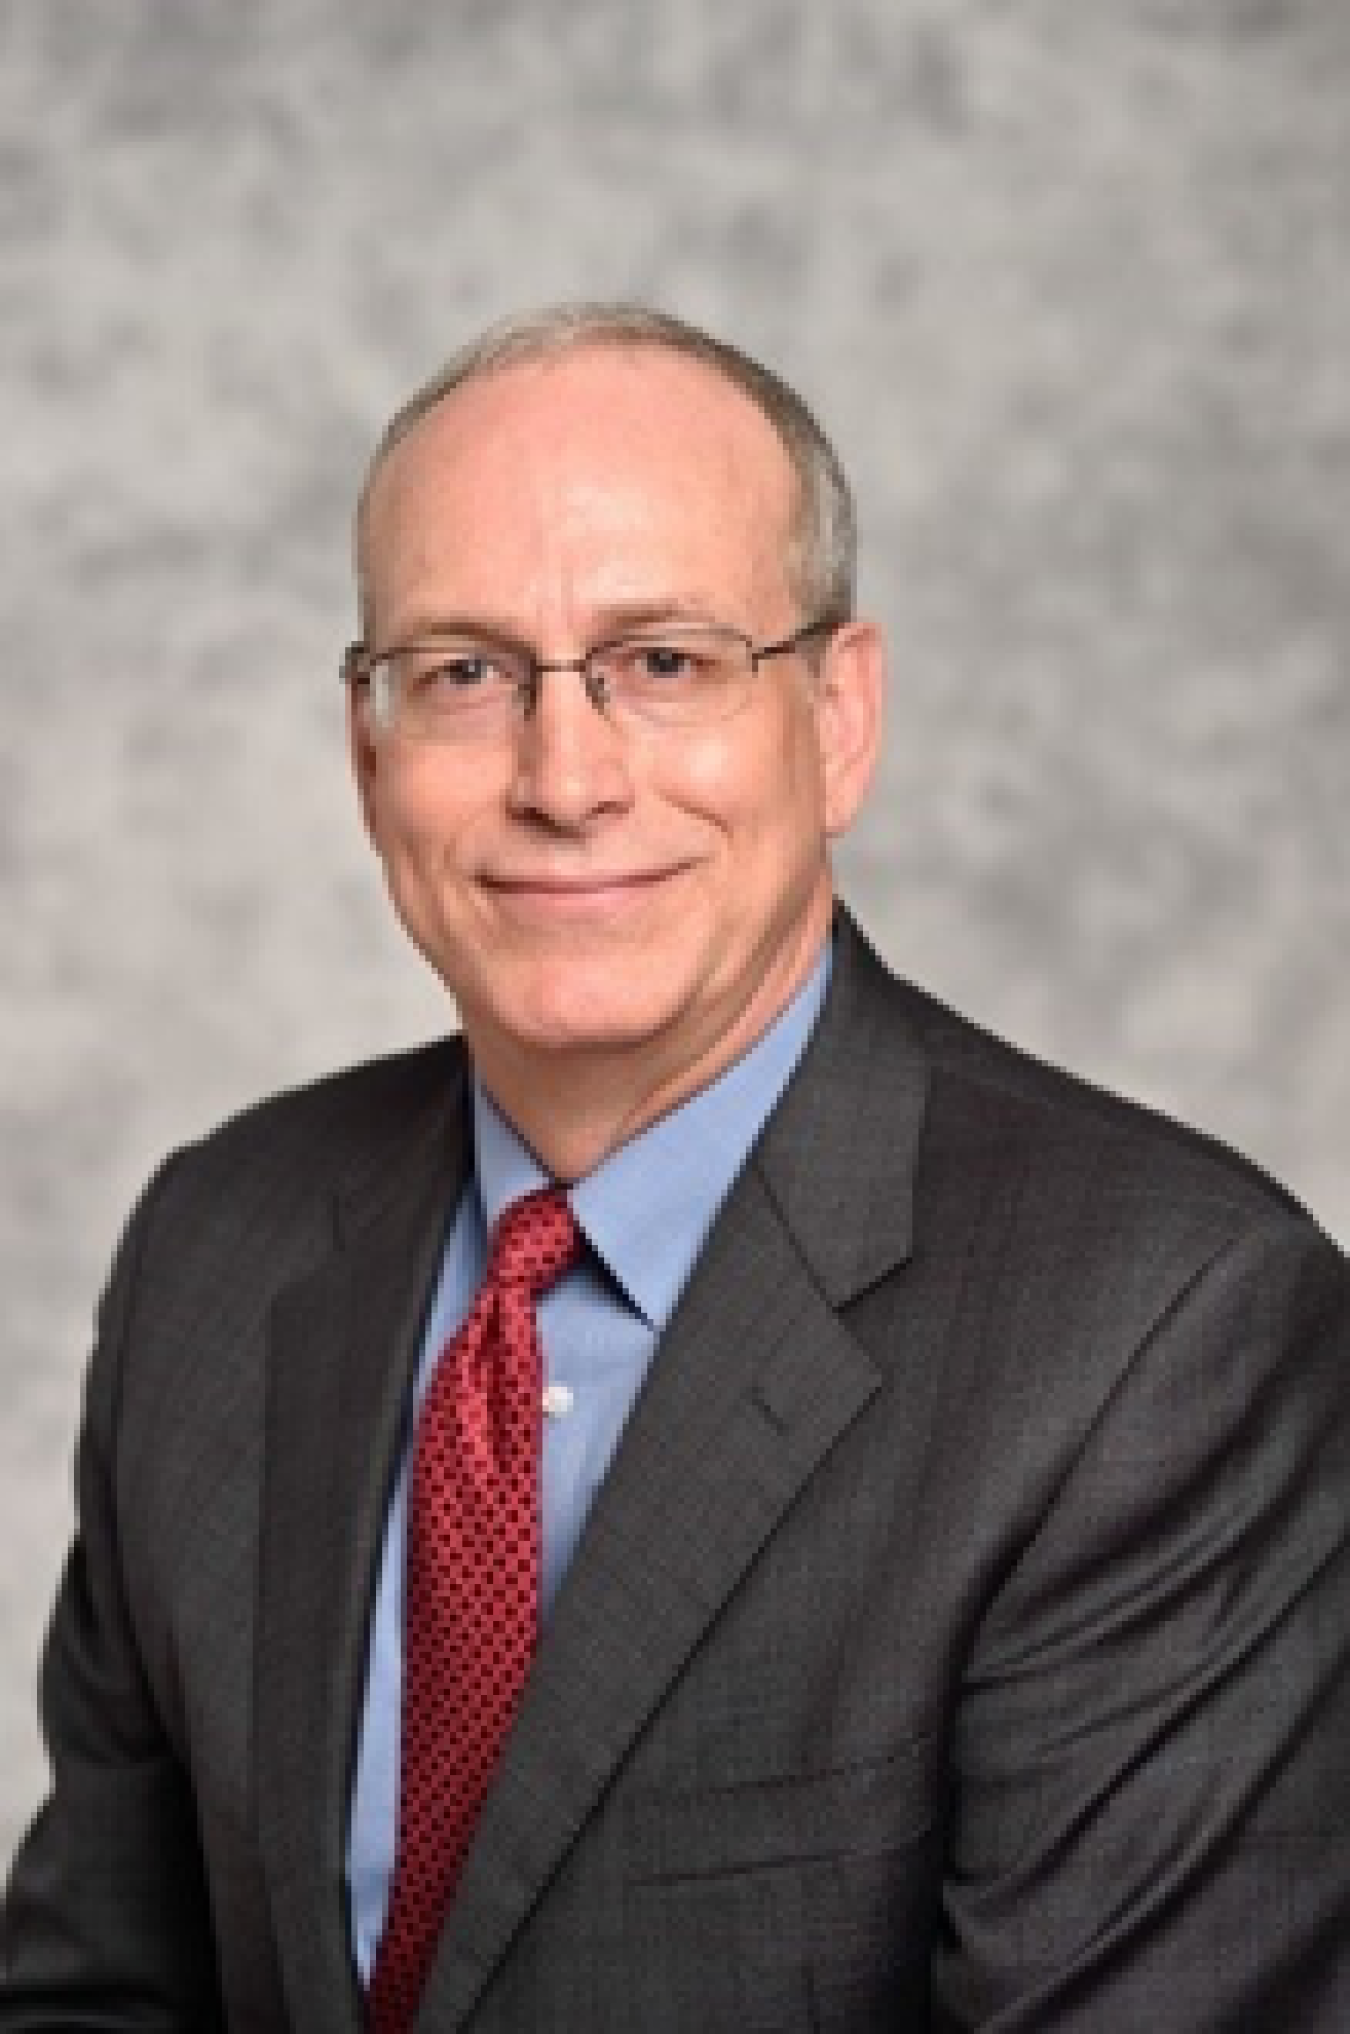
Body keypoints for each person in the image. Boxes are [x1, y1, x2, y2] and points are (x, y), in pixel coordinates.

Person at [2, 303, 1348, 2033]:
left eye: (664, 661)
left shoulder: (1165, 1334)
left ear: (838, 717)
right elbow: (97, 1996)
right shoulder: (220, 1242)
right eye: (466, 672)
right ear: (367, 752)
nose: (566, 779)